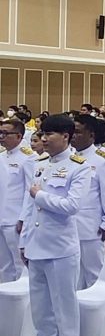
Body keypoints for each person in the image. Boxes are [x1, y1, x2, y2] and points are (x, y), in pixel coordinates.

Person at [13, 115, 92, 336]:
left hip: (60, 248)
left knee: (64, 307)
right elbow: (28, 206)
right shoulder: (39, 164)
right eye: (42, 134)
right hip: (36, 244)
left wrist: (40, 195)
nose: (44, 139)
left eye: (50, 134)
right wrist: (24, 241)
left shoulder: (79, 167)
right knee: (41, 308)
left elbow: (71, 206)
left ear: (66, 137)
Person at [71, 114, 105, 289]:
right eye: (71, 132)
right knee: (73, 277)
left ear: (91, 135)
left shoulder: (103, 160)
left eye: (78, 132)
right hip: (68, 227)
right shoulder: (68, 158)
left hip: (91, 227)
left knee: (93, 275)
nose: (73, 136)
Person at [0, 118, 37, 282]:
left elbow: (29, 191)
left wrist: (23, 218)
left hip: (14, 218)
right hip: (1, 215)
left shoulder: (28, 158)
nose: (1, 137)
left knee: (19, 263)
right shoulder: (2, 156)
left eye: (5, 133)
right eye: (0, 133)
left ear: (19, 136)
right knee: (3, 265)